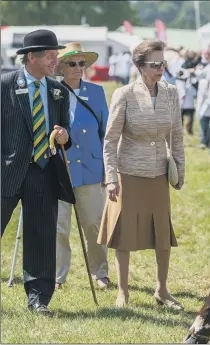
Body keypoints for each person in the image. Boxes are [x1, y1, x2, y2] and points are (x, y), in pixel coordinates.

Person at [98, 39, 185, 309]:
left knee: (162, 235)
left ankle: (162, 289)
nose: (161, 68)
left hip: (159, 172)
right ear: (139, 66)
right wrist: (111, 177)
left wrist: (179, 170)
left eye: (163, 63)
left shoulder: (171, 93)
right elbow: (110, 140)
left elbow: (177, 136)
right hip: (128, 173)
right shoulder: (124, 94)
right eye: (155, 64)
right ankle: (123, 291)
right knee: (123, 234)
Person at [1, 29, 75, 315]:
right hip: (6, 172)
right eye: (51, 55)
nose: (56, 61)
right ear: (31, 56)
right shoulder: (5, 84)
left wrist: (64, 136)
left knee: (42, 238)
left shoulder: (58, 91)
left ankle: (39, 299)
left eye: (56, 55)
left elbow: (66, 132)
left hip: (44, 172)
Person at [54, 42, 110, 290]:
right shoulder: (52, 92)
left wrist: (108, 169)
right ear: (62, 68)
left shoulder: (96, 92)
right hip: (60, 171)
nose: (78, 68)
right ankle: (57, 276)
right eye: (72, 63)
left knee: (94, 224)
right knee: (59, 227)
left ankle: (100, 273)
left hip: (90, 169)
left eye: (81, 63)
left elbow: (105, 133)